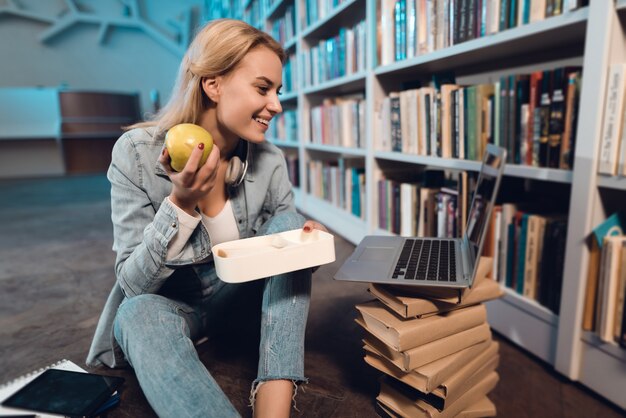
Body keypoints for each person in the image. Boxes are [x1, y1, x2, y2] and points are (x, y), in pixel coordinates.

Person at [86, 18, 327, 418]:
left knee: (290, 224)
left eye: (278, 91)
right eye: (263, 88)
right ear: (212, 84)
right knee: (135, 313)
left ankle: (275, 404)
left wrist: (307, 245)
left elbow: (286, 266)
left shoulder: (269, 159)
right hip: (173, 307)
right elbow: (132, 283)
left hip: (243, 306)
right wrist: (180, 205)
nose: (277, 105)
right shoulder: (136, 154)